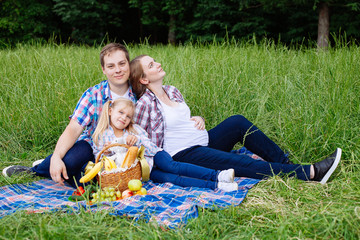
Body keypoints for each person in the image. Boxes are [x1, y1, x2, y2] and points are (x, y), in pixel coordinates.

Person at [130, 54, 342, 184]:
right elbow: (139, 137)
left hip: (204, 140)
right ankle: (311, 173)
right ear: (144, 79)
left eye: (154, 60)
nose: (157, 63)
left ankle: (284, 164)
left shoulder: (172, 91)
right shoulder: (145, 105)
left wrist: (198, 118)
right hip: (184, 155)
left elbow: (180, 118)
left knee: (237, 122)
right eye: (151, 65)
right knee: (240, 162)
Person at [2, 43, 136, 188]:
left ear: (129, 64)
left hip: (123, 150)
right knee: (70, 162)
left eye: (122, 64)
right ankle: (37, 170)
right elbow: (73, 129)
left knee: (92, 184)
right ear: (103, 70)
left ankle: (60, 167)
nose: (118, 70)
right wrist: (57, 157)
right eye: (111, 66)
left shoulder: (138, 94)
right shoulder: (93, 95)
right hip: (91, 145)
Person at [92, 97, 238, 191]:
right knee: (172, 179)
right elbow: (101, 161)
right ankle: (217, 186)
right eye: (121, 112)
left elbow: (150, 146)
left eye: (128, 116)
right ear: (110, 111)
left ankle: (218, 175)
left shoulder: (134, 129)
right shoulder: (101, 135)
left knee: (173, 167)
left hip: (156, 156)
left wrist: (136, 143)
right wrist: (107, 151)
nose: (124, 118)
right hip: (144, 171)